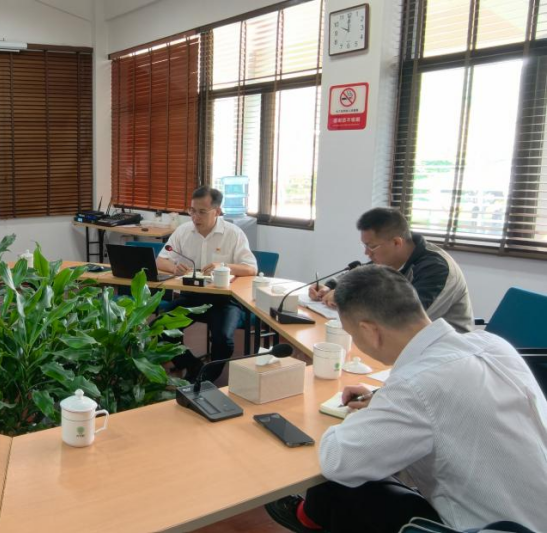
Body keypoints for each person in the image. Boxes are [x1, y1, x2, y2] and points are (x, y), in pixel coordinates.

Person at [265, 265, 547, 533]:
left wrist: (366, 413)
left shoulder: (416, 385)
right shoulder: (493, 344)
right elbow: (446, 401)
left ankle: (309, 518)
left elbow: (337, 460)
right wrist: (384, 399)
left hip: (489, 527)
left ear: (370, 331)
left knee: (346, 483)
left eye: (352, 334)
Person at [309, 207, 473, 333]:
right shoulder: (392, 258)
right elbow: (361, 274)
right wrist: (330, 287)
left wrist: (347, 297)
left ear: (397, 243)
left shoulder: (437, 268)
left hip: (447, 349)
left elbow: (406, 316)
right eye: (365, 245)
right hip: (409, 341)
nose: (367, 253)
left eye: (372, 246)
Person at [156, 186, 258, 381]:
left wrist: (224, 266)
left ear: (217, 211)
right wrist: (174, 268)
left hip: (224, 300)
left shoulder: (233, 233)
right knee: (161, 326)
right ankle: (192, 365)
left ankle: (205, 379)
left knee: (223, 339)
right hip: (191, 297)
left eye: (202, 212)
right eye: (192, 211)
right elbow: (160, 260)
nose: (195, 217)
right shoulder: (183, 231)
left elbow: (251, 268)